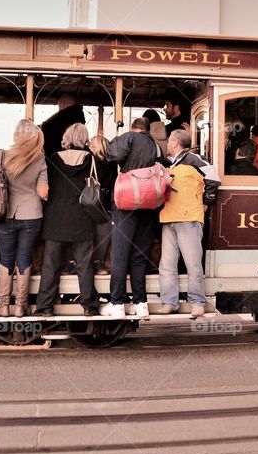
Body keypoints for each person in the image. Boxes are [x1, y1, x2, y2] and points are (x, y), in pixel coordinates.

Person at [34, 123, 99, 317]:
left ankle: (44, 307)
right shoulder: (91, 160)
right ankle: (89, 306)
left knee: (50, 265)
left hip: (56, 219)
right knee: (84, 265)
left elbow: (45, 188)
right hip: (83, 219)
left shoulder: (52, 159)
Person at [153, 130, 220, 317]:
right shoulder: (171, 164)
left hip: (189, 217)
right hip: (169, 217)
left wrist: (207, 202)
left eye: (169, 141)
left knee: (192, 264)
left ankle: (197, 303)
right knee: (167, 265)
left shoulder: (195, 159)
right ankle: (169, 302)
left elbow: (214, 179)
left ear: (174, 143)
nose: (167, 144)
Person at [100, 117, 162, 318]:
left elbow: (112, 154)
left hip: (127, 202)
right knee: (139, 255)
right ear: (147, 129)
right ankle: (140, 302)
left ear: (133, 129)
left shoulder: (129, 138)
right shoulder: (157, 145)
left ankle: (117, 303)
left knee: (120, 254)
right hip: (151, 203)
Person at [0, 120, 49, 318]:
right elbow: (43, 192)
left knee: (6, 259)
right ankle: (20, 306)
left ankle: (3, 306)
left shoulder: (1, 155)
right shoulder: (40, 159)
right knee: (24, 259)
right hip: (32, 214)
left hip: (7, 214)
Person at [89, 134, 117, 274]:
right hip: (105, 203)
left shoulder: (91, 161)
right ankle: (100, 262)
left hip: (92, 202)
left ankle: (92, 261)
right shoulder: (112, 163)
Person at [41, 94, 85, 162]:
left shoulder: (55, 120)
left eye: (58, 106)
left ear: (63, 104)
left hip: (57, 160)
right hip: (80, 157)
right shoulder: (81, 118)